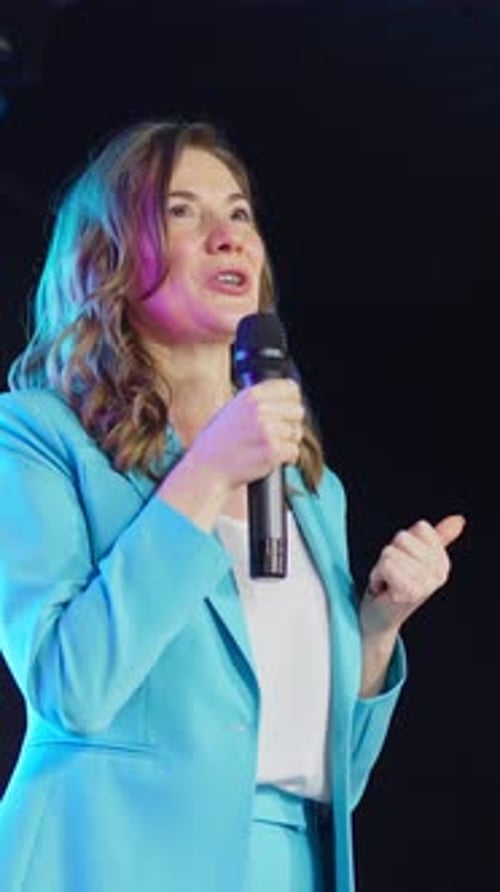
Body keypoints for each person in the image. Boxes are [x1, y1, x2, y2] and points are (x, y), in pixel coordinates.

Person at [0, 118, 464, 892]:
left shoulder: (312, 489)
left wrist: (376, 633)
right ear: (106, 258)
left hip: (284, 865)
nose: (227, 236)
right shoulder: (36, 436)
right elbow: (68, 688)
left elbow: (335, 776)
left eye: (239, 212)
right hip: (106, 856)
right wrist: (205, 472)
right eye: (182, 212)